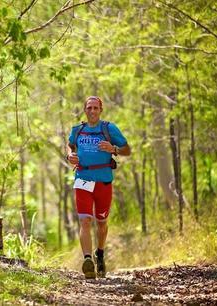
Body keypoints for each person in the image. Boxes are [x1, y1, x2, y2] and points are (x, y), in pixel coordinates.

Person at [67, 96, 130, 279]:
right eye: (89, 108)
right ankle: (88, 260)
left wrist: (114, 149)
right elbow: (70, 145)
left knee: (101, 223)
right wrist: (70, 155)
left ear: (100, 110)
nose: (92, 111)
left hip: (103, 182)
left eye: (95, 108)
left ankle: (99, 254)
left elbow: (127, 149)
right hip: (83, 179)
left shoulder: (109, 129)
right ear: (85, 110)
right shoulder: (78, 130)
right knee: (85, 220)